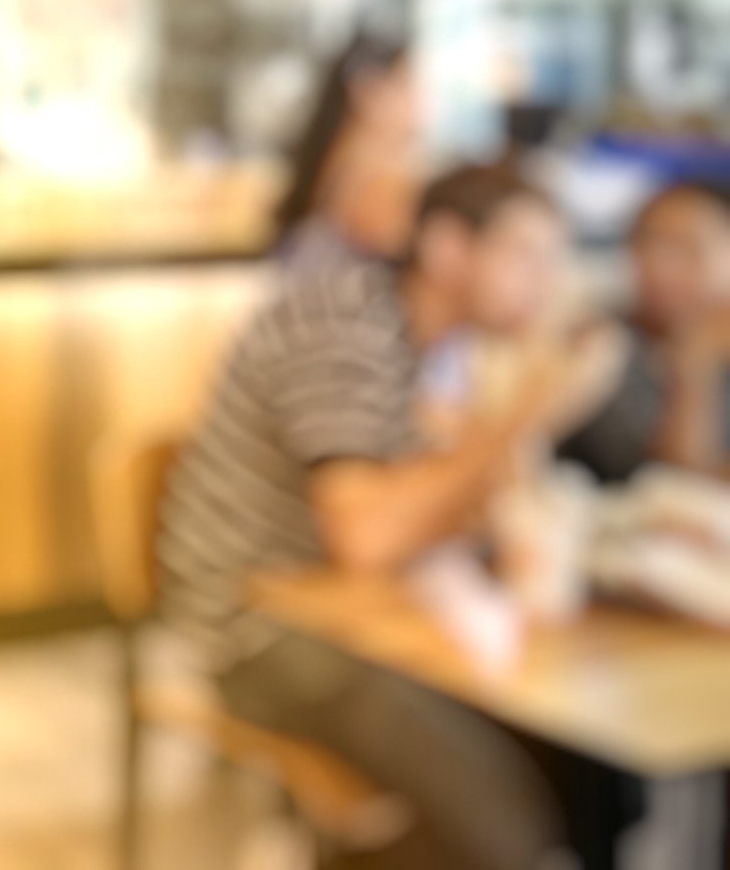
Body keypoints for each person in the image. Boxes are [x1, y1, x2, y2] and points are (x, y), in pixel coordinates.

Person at [161, 163, 624, 870]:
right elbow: (368, 539)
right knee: (501, 820)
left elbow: (436, 503)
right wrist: (532, 413)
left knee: (583, 764)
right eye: (525, 255)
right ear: (447, 249)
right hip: (258, 624)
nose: (547, 283)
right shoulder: (343, 327)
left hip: (366, 611)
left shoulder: (433, 343)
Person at [561, 179, 730, 484]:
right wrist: (694, 372)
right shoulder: (602, 345)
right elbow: (676, 482)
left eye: (686, 248)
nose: (659, 266)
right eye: (645, 243)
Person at [272, 32, 423, 275]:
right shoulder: (376, 172)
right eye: (406, 83)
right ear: (366, 90)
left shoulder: (340, 155)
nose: (420, 98)